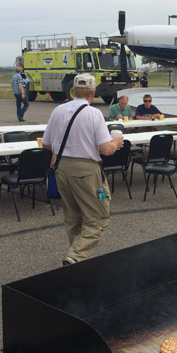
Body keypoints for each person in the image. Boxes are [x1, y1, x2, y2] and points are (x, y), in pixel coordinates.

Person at [41, 74, 124, 266]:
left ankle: (77, 262)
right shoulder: (93, 114)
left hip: (61, 168)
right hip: (86, 170)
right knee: (99, 217)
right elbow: (105, 150)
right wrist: (116, 143)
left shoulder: (58, 111)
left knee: (73, 216)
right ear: (93, 92)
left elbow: (46, 144)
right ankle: (76, 257)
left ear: (74, 91)